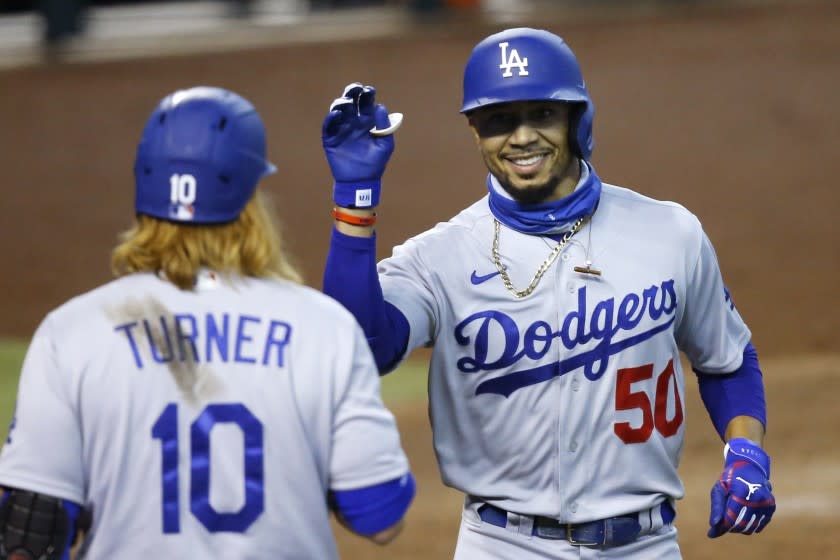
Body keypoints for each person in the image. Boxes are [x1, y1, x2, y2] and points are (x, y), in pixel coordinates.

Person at [319, 28, 775, 558]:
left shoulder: (669, 232)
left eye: (541, 115)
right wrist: (354, 202)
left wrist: (747, 451)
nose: (521, 137)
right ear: (475, 133)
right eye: (499, 121)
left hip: (646, 546)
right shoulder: (439, 258)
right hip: (502, 545)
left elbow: (728, 358)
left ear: (577, 121)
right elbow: (362, 345)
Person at [0, 86, 415, 559]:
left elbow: (27, 538)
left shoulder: (70, 334)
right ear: (252, 197)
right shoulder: (323, 329)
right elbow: (380, 517)